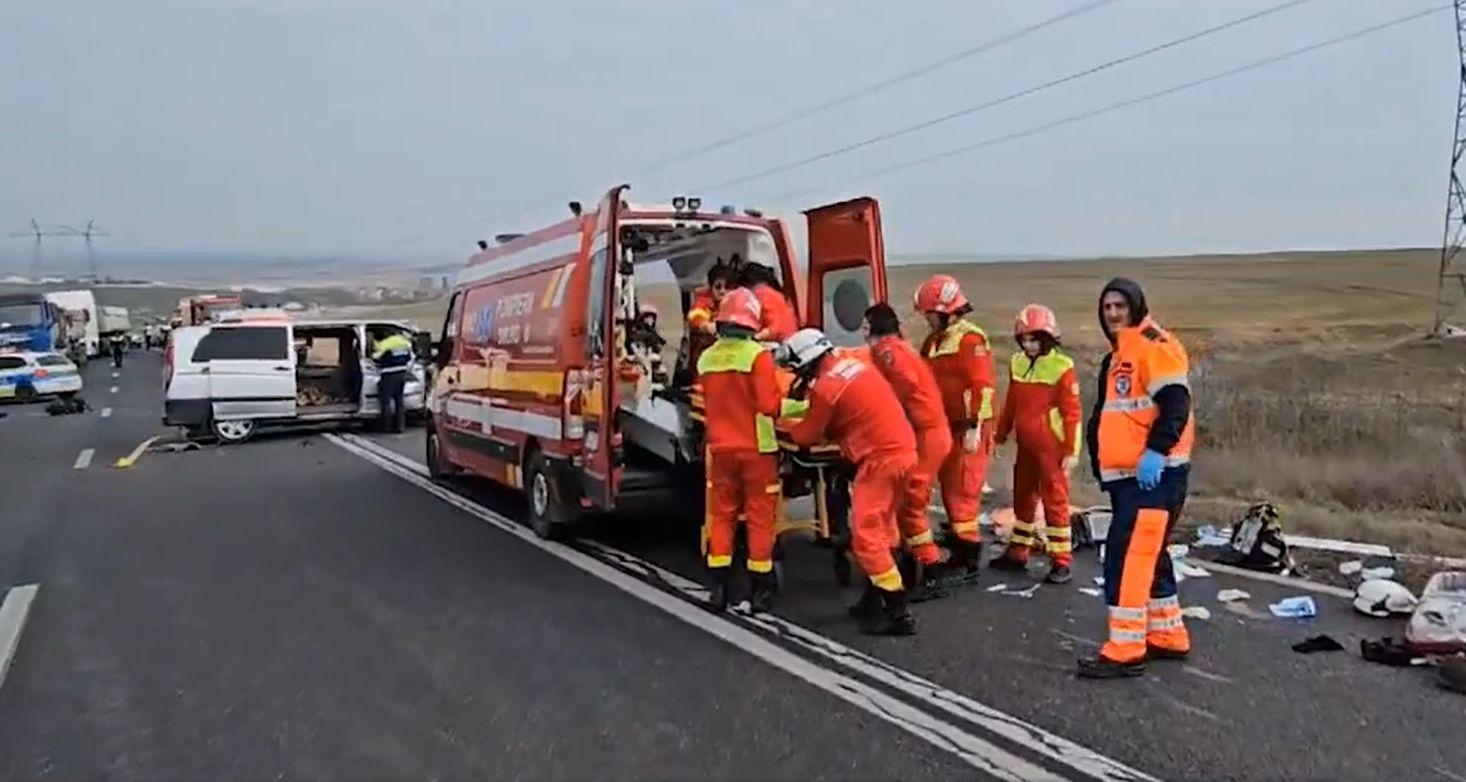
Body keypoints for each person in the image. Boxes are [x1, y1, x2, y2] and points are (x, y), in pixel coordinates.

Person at [1078, 278, 1195, 679]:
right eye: (1107, 306)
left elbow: (1176, 405)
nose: (1112, 313)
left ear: (1136, 307)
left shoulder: (1153, 346)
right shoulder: (1120, 354)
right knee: (1150, 555)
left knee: (1127, 559)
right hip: (1130, 479)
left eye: (1120, 306)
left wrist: (1155, 453)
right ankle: (1167, 634)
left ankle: (1126, 648)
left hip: (1153, 478)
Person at [778, 328, 918, 636]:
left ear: (807, 362)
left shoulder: (827, 388)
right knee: (884, 527)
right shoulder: (852, 363)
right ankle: (873, 599)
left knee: (866, 534)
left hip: (879, 460)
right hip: (904, 451)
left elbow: (807, 436)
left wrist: (781, 423)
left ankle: (898, 612)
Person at [697, 287, 783, 612]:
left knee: (722, 516)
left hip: (720, 450)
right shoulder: (757, 356)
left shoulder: (707, 359)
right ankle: (760, 589)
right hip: (757, 450)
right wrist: (798, 407)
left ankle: (719, 587)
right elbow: (768, 405)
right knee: (760, 517)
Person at [861, 303, 953, 600]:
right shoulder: (896, 348)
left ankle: (930, 568)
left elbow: (903, 385)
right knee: (903, 499)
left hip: (926, 433)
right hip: (927, 431)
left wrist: (884, 410)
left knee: (910, 502)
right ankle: (913, 563)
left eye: (866, 325)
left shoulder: (888, 352)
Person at [990, 304, 1082, 584]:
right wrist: (1000, 433)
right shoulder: (1017, 363)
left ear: (1047, 338)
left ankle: (1061, 561)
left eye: (1034, 339)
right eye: (1025, 340)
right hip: (1026, 446)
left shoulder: (1062, 367)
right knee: (1023, 499)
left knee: (1056, 503)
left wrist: (1071, 452)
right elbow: (1012, 404)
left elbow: (1072, 414)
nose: (1029, 345)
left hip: (1051, 449)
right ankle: (1018, 552)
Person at [914, 274, 995, 580]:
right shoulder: (933, 342)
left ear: (946, 310)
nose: (927, 320)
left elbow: (982, 386)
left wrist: (976, 425)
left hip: (968, 428)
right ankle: (961, 546)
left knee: (963, 490)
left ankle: (968, 554)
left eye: (930, 314)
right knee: (950, 489)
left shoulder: (970, 340)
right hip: (945, 427)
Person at [742, 261, 798, 343]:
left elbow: (774, 328)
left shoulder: (760, 295)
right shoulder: (779, 296)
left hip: (778, 344)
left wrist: (754, 337)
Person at [371, 330, 415, 433]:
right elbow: (411, 356)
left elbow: (375, 358)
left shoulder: (385, 344)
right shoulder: (403, 342)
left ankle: (386, 427)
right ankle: (400, 426)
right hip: (402, 373)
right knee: (399, 401)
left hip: (388, 374)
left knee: (385, 401)